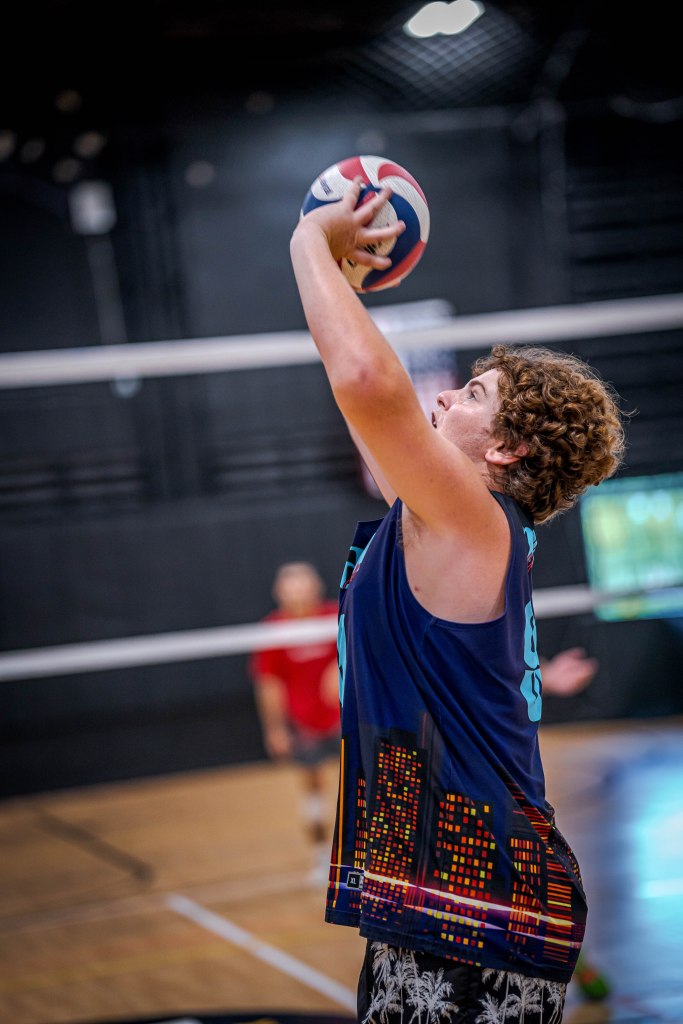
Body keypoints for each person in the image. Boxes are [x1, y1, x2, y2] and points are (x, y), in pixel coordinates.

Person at [289, 176, 626, 1023]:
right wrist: (345, 282)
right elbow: (366, 401)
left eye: (473, 394)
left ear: (505, 450)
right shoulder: (443, 526)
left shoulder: (473, 522)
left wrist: (309, 241)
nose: (442, 395)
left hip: (479, 905)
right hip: (436, 897)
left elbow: (365, 380)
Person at [249, 561, 340, 882]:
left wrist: (341, 667)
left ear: (317, 587)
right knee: (313, 793)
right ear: (279, 593)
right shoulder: (273, 630)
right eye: (291, 589)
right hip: (304, 725)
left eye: (304, 586)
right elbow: (268, 684)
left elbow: (366, 651)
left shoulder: (336, 616)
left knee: (365, 785)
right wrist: (275, 729)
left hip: (345, 718)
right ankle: (321, 857)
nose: (299, 595)